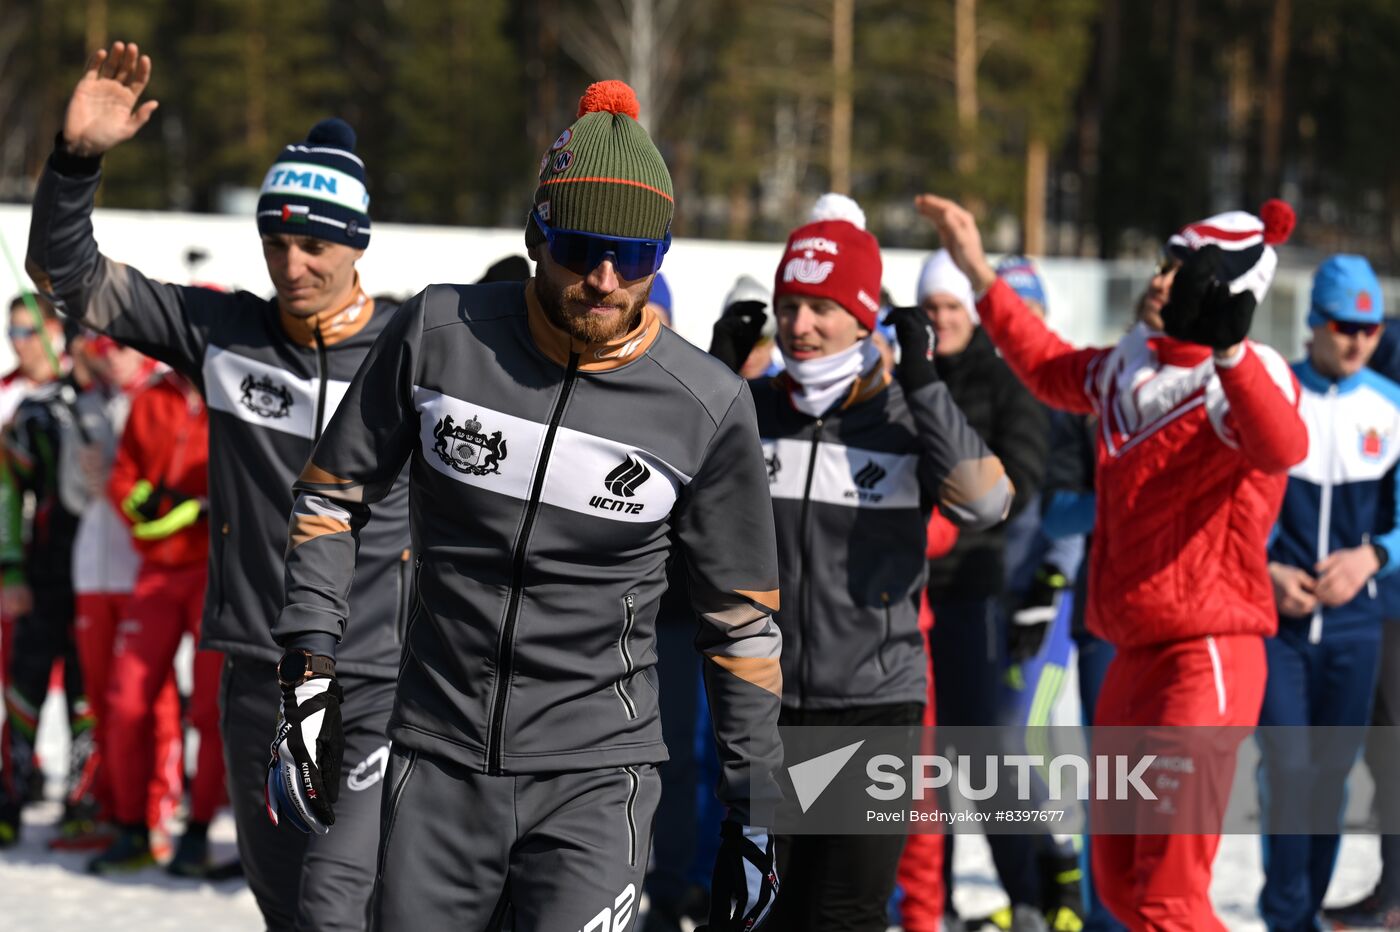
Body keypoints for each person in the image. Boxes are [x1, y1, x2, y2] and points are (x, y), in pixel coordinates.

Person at [271, 80, 781, 931]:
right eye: (582, 247)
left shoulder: (708, 404)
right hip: (437, 758)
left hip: (596, 780)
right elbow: (333, 495)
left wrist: (760, 808)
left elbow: (743, 624)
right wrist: (308, 663)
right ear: (538, 235)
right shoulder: (438, 335)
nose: (607, 279)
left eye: (637, 254)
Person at [26, 41, 412, 929]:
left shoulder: (411, 346)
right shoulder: (226, 332)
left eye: (314, 246)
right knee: (287, 909)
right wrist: (77, 161)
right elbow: (65, 280)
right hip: (259, 676)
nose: (292, 266)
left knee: (336, 904)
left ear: (356, 243)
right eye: (275, 243)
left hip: (376, 680)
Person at [916, 192, 1307, 930]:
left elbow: (1284, 445)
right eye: (1163, 265)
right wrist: (976, 268)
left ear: (1222, 291)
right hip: (1131, 653)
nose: (1160, 279)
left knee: (1168, 898)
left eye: (1181, 271)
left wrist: (1229, 352)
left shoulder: (1251, 375)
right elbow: (1044, 364)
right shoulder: (1127, 366)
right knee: (1121, 889)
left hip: (1207, 654)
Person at [712, 191, 1013, 931]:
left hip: (871, 709)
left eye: (820, 306)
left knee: (842, 915)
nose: (800, 325)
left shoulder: (904, 419)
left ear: (862, 315)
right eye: (788, 306)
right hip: (764, 710)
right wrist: (714, 375)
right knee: (755, 912)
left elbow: (986, 502)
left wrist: (924, 380)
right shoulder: (748, 409)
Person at [1258, 255, 1400, 932]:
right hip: (1277, 626)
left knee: (1331, 779)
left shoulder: (1390, 405)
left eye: (1370, 329)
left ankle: (1305, 912)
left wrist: (1374, 556)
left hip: (1355, 626)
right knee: (1287, 771)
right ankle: (1285, 916)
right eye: (1345, 325)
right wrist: (1264, 571)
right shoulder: (1272, 392)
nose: (1357, 340)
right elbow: (1226, 506)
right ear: (1315, 321)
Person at [915, 248, 1049, 932]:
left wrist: (945, 514)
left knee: (982, 749)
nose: (941, 321)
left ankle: (1026, 889)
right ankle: (926, 900)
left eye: (951, 308)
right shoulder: (904, 374)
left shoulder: (1004, 382)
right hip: (902, 595)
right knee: (914, 763)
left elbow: (1020, 477)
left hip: (969, 587)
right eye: (931, 309)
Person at [89, 367, 225, 876]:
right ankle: (132, 828)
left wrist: (211, 508)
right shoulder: (153, 398)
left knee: (209, 709)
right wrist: (140, 503)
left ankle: (198, 830)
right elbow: (123, 471)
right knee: (126, 702)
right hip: (155, 571)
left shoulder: (236, 390)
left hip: (214, 571)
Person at [60, 332, 184, 855]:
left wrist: (115, 477)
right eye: (102, 348)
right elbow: (70, 496)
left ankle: (157, 806)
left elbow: (165, 482)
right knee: (104, 694)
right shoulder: (84, 405)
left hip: (144, 565)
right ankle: (113, 804)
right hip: (93, 567)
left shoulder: (161, 399)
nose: (110, 357)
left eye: (119, 347)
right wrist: (85, 477)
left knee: (149, 696)